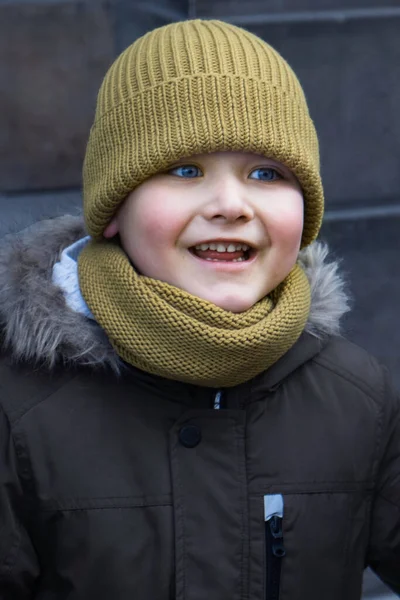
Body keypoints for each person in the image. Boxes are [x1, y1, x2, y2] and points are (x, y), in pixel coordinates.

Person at [0, 19, 399, 600]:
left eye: (266, 173)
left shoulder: (358, 397)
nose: (231, 205)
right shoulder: (17, 404)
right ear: (114, 207)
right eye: (185, 170)